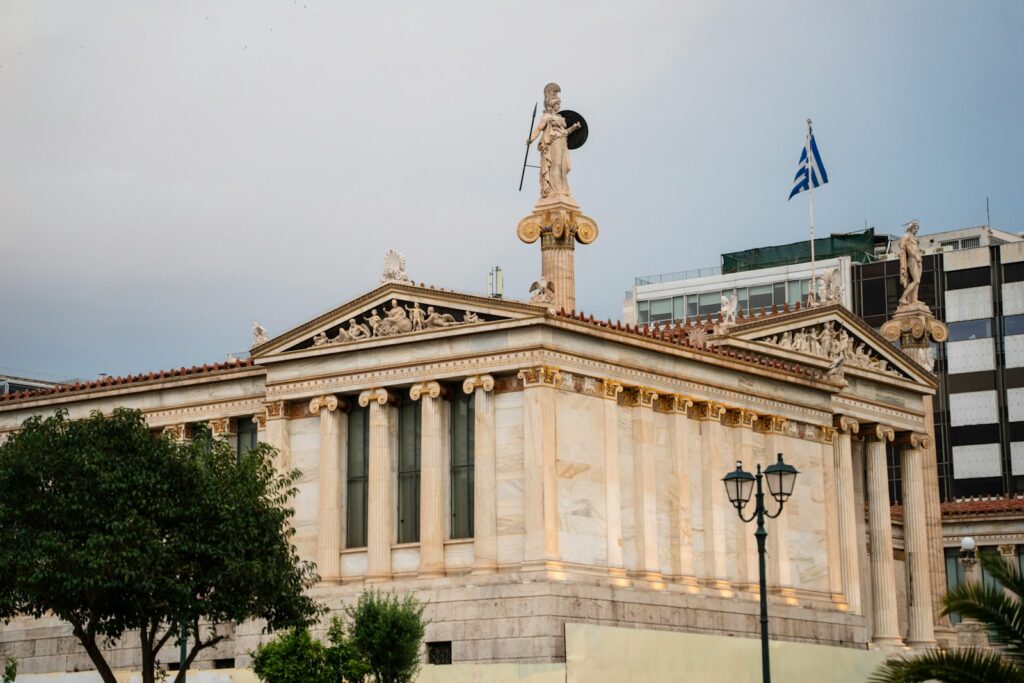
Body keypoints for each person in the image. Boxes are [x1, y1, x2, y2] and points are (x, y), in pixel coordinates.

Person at [528, 83, 582, 199]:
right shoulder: (547, 117)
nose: (559, 106)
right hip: (553, 143)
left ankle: (562, 189)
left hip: (562, 143)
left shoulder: (560, 118)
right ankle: (555, 191)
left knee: (566, 166)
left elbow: (564, 132)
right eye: (557, 104)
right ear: (552, 105)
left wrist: (574, 128)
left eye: (559, 104)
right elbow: (538, 129)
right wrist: (531, 139)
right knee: (555, 166)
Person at [898, 220, 923, 306]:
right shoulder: (907, 236)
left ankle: (915, 299)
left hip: (918, 260)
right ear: (911, 228)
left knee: (918, 281)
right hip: (912, 259)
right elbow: (908, 248)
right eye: (915, 228)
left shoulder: (914, 238)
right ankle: (903, 298)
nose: (916, 230)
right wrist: (916, 256)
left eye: (917, 229)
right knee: (916, 280)